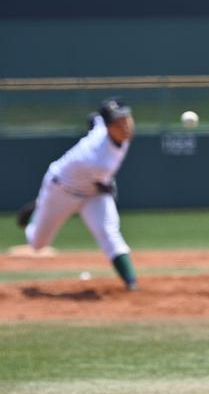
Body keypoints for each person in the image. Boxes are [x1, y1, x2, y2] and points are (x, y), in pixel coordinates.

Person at [16, 98, 139, 290]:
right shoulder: (97, 158)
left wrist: (95, 122)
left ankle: (131, 283)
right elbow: (106, 186)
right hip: (61, 190)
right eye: (118, 122)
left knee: (109, 232)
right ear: (108, 127)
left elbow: (94, 119)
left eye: (126, 118)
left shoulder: (108, 130)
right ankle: (39, 207)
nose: (124, 125)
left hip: (91, 192)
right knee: (38, 244)